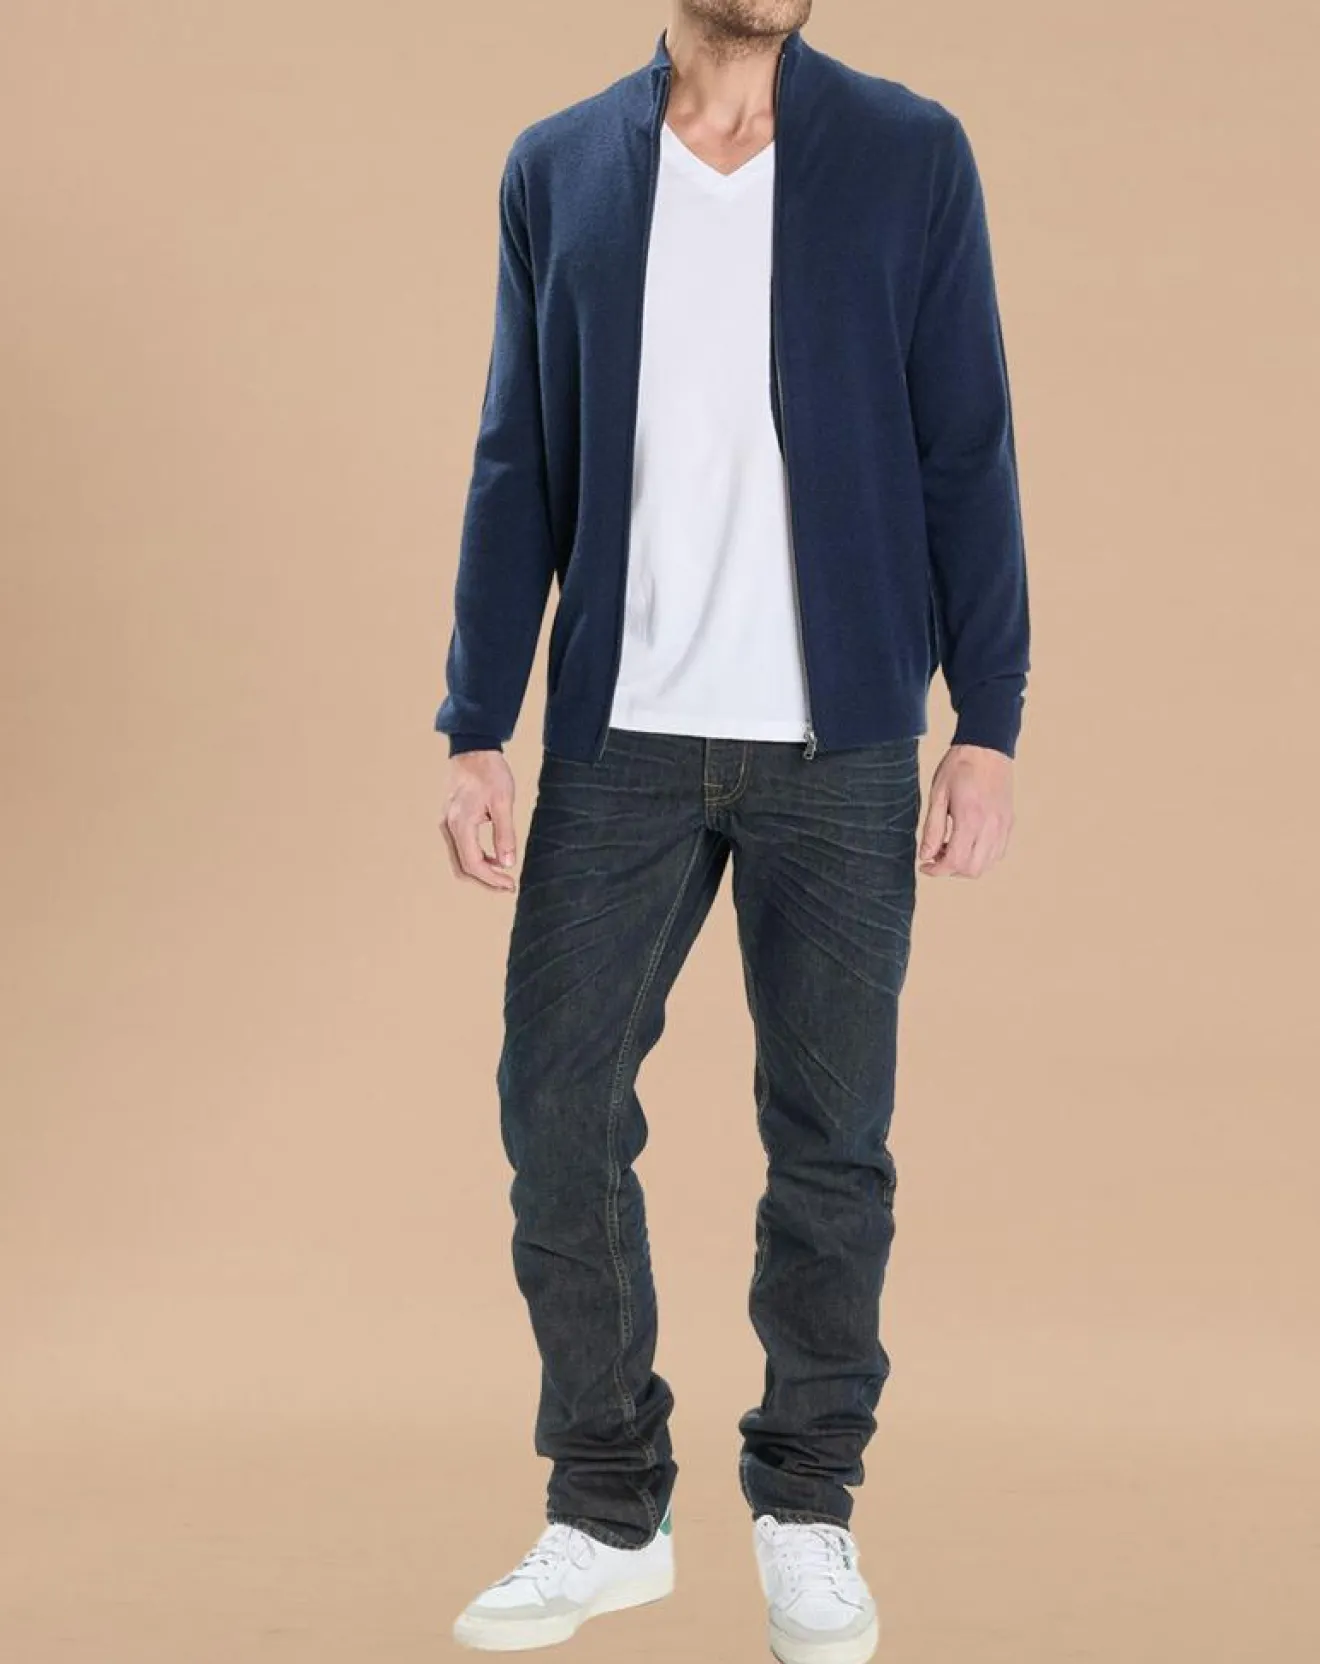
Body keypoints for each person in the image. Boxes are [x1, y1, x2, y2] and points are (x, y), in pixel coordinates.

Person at [437, 4, 1030, 1658]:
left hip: (841, 738)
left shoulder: (909, 155)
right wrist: (477, 721)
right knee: (555, 1104)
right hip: (619, 736)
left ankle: (808, 1509)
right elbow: (516, 459)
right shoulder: (561, 168)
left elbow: (967, 441)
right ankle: (607, 1506)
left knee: (831, 1140)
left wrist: (987, 720)